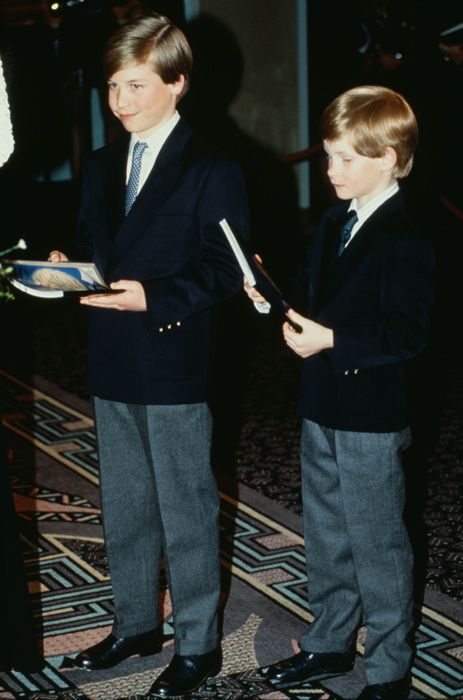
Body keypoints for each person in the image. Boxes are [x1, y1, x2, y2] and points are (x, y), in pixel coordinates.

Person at [49, 12, 248, 698]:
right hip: (110, 357)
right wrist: (64, 265)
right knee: (125, 504)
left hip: (171, 359)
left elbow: (228, 273)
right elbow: (95, 244)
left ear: (177, 83)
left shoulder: (212, 168)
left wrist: (154, 297)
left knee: (186, 507)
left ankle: (197, 645)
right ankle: (135, 624)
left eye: (136, 85)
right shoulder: (105, 163)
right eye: (113, 87)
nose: (121, 102)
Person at [245, 85, 434, 700]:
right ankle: (329, 642)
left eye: (346, 159)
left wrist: (332, 338)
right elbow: (310, 289)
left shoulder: (408, 236)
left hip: (371, 416)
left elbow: (407, 332)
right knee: (326, 531)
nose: (330, 171)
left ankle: (388, 668)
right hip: (321, 402)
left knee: (377, 542)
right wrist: (271, 296)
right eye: (328, 156)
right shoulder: (334, 221)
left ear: (389, 155)